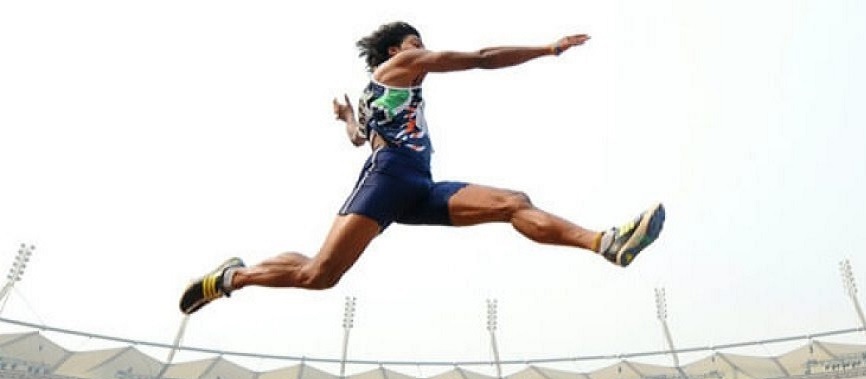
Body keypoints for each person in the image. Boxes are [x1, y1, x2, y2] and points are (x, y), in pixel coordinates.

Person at [180, 21, 665, 315]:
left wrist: (348, 118)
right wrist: (548, 49)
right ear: (396, 51)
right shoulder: (398, 68)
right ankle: (230, 279)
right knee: (319, 275)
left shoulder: (378, 96)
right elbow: (479, 59)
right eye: (416, 43)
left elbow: (358, 137)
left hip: (418, 186)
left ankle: (606, 243)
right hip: (388, 177)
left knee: (512, 203)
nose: (425, 52)